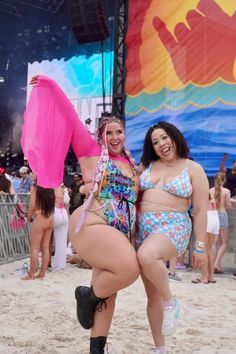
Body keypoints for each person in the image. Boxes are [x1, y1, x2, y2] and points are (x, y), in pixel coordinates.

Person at [21, 75, 140, 353]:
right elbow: (70, 116)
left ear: (124, 134)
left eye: (118, 132)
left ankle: (97, 347)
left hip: (119, 232)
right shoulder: (91, 152)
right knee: (128, 269)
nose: (113, 137)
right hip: (93, 222)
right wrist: (50, 85)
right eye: (108, 133)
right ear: (99, 136)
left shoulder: (131, 163)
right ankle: (86, 296)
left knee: (110, 291)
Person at [136, 121, 209, 354]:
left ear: (174, 137)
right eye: (155, 142)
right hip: (144, 230)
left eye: (164, 138)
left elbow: (200, 210)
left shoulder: (193, 169)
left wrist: (200, 246)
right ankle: (160, 349)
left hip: (173, 227)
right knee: (152, 296)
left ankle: (172, 302)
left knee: (146, 255)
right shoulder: (146, 166)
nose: (161, 144)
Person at [21, 185, 55, 280]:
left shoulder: (36, 188)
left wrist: (28, 218)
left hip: (40, 217)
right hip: (50, 216)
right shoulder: (51, 189)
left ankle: (31, 273)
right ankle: (42, 273)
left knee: (34, 248)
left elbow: (32, 206)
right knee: (45, 247)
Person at [192, 192, 220, 284]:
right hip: (214, 218)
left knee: (202, 249)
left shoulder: (200, 196)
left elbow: (197, 211)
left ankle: (204, 277)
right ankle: (211, 276)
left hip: (207, 218)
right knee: (210, 249)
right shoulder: (210, 195)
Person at [210, 172, 232, 274]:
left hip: (213, 216)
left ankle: (212, 264)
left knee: (214, 242)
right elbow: (228, 206)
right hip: (222, 215)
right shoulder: (226, 191)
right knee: (224, 243)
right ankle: (216, 263)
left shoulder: (210, 191)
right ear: (224, 180)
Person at [51, 185, 69, 271]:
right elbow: (66, 200)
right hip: (63, 212)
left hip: (55, 211)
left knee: (46, 240)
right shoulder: (62, 189)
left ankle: (48, 263)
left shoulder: (51, 188)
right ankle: (60, 265)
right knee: (62, 241)